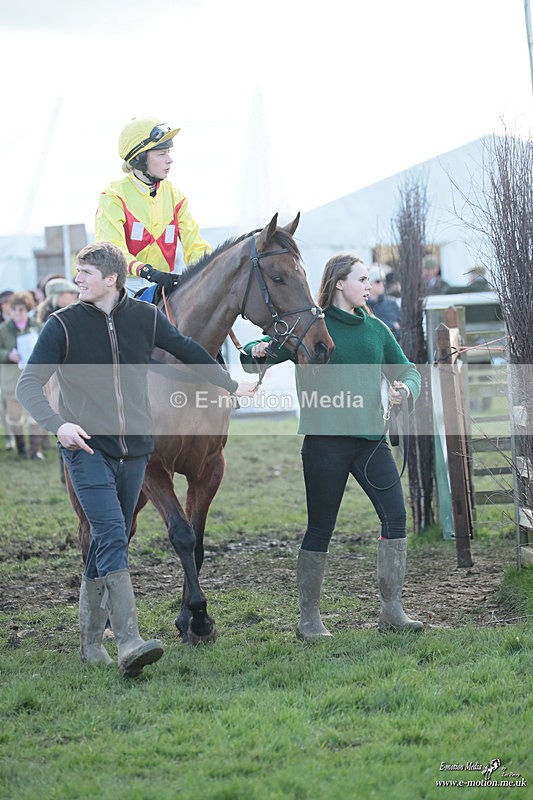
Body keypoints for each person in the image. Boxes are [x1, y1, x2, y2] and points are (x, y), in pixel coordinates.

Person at [17, 241, 256, 676]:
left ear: (111, 279)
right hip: (86, 447)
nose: (77, 280)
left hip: (135, 453)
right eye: (78, 273)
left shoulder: (145, 318)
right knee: (111, 531)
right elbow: (28, 384)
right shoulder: (62, 325)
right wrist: (59, 426)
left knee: (109, 537)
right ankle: (129, 641)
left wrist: (229, 383)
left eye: (85, 273)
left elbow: (186, 350)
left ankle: (91, 642)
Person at [241, 253, 423, 640]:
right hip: (325, 444)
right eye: (363, 279)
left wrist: (405, 388)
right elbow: (259, 351)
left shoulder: (376, 331)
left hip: (372, 442)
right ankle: (309, 621)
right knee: (321, 529)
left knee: (395, 519)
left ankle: (392, 612)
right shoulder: (310, 327)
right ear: (340, 282)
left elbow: (407, 369)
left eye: (370, 280)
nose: (370, 287)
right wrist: (254, 351)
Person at [95, 116, 211, 295]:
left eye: (169, 152)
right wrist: (147, 271)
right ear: (140, 158)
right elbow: (113, 252)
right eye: (161, 153)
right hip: (125, 287)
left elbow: (195, 246)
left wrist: (211, 265)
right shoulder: (113, 196)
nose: (169, 159)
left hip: (163, 285)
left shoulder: (176, 197)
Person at [0, 291, 43, 459]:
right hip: (12, 380)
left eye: (22, 309)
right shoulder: (3, 330)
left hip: (33, 379)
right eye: (15, 309)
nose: (18, 312)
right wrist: (7, 354)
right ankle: (22, 449)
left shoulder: (37, 327)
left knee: (35, 417)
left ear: (28, 309)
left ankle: (35, 450)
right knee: (14, 418)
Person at [367, 265, 401, 341]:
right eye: (378, 281)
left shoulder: (392, 302)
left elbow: (402, 327)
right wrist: (392, 325)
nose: (382, 284)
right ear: (370, 283)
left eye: (383, 281)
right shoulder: (363, 305)